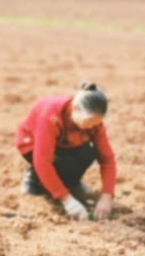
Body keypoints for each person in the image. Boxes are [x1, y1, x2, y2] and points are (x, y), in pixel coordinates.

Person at [15, 81, 116, 221]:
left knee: (87, 154)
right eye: (88, 122)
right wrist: (66, 200)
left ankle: (70, 181)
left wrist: (107, 196)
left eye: (96, 123)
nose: (91, 127)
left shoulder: (94, 123)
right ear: (74, 108)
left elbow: (107, 158)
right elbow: (42, 161)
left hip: (66, 144)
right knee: (61, 164)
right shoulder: (51, 117)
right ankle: (34, 177)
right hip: (33, 144)